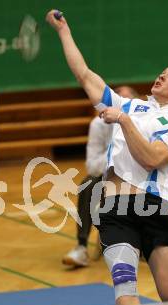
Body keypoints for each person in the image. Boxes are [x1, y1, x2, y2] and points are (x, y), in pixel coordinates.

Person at [46, 10, 168, 305]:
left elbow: (151, 158)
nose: (162, 75)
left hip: (153, 209)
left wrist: (123, 121)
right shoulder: (131, 104)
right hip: (114, 209)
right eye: (163, 71)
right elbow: (84, 74)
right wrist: (64, 30)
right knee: (124, 280)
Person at [62, 86, 138, 267]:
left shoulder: (143, 124)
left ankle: (163, 247)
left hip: (138, 178)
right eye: (119, 100)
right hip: (108, 178)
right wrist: (117, 146)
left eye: (128, 101)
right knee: (88, 184)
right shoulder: (99, 124)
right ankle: (81, 247)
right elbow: (93, 166)